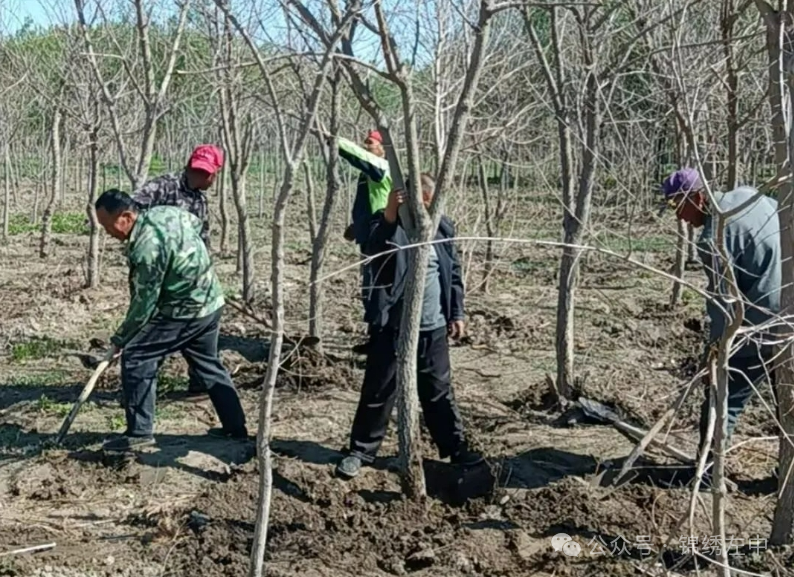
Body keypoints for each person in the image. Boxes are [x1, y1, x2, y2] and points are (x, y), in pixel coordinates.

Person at [336, 173, 483, 479]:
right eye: (416, 204)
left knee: (438, 391)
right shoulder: (385, 224)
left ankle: (455, 448)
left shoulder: (442, 227)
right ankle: (360, 451)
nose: (421, 212)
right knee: (379, 389)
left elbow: (453, 272)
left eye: (426, 205)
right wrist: (390, 213)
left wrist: (457, 312)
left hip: (434, 326)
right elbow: (375, 250)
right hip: (392, 327)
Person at [94, 189, 247, 452]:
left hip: (185, 311)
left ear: (127, 217)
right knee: (208, 363)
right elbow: (196, 223)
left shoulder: (146, 249)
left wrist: (121, 339)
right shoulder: (165, 213)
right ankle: (236, 428)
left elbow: (144, 304)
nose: (107, 233)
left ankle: (139, 433)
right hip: (211, 301)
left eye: (108, 225)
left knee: (138, 357)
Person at [661, 168, 780, 464]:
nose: (679, 217)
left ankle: (708, 473)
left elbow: (724, 307)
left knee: (721, 398)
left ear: (699, 197)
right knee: (789, 402)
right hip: (790, 313)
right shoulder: (750, 196)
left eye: (678, 205)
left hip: (761, 325)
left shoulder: (713, 240)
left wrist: (713, 355)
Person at [132, 144, 224, 396]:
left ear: (215, 174)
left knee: (201, 335)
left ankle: (200, 383)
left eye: (205, 173)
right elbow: (130, 212)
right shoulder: (162, 186)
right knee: (153, 331)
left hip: (192, 281)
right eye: (197, 171)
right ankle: (143, 383)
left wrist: (206, 273)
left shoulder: (200, 201)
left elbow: (202, 241)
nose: (201, 177)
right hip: (158, 276)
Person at [338, 131, 392, 354]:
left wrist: (335, 140)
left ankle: (381, 342)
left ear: (383, 148)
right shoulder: (368, 174)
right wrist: (356, 227)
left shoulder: (381, 167)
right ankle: (375, 338)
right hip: (370, 238)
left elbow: (358, 156)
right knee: (369, 289)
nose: (366, 146)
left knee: (377, 290)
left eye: (370, 143)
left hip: (381, 239)